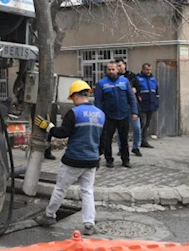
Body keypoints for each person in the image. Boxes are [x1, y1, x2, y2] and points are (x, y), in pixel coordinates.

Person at [33, 80, 105, 235]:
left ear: (76, 96)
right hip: (91, 160)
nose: (73, 102)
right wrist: (97, 157)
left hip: (73, 159)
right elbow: (104, 140)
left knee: (60, 189)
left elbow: (62, 133)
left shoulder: (74, 113)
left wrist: (48, 127)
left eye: (72, 98)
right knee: (87, 192)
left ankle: (49, 215)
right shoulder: (101, 114)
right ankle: (89, 224)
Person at [95, 61, 138, 168]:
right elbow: (98, 101)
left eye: (113, 69)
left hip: (123, 114)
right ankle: (109, 160)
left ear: (117, 70)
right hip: (108, 116)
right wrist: (99, 115)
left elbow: (131, 98)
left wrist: (134, 111)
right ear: (106, 70)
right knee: (107, 139)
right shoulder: (101, 83)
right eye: (109, 69)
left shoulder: (124, 81)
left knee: (124, 139)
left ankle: (125, 160)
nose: (111, 71)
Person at [116, 59, 143, 156]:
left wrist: (136, 90)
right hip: (121, 106)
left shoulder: (132, 76)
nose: (119, 68)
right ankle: (121, 148)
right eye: (117, 66)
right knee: (121, 129)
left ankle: (136, 147)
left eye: (120, 65)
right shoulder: (115, 78)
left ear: (124, 65)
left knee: (137, 127)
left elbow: (139, 87)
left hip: (132, 105)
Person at [136, 63, 159, 148]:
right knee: (142, 123)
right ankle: (137, 141)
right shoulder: (138, 79)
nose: (149, 71)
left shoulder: (153, 79)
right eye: (147, 69)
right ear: (142, 69)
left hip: (151, 104)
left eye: (150, 69)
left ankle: (144, 141)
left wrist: (156, 103)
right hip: (142, 105)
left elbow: (156, 92)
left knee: (147, 124)